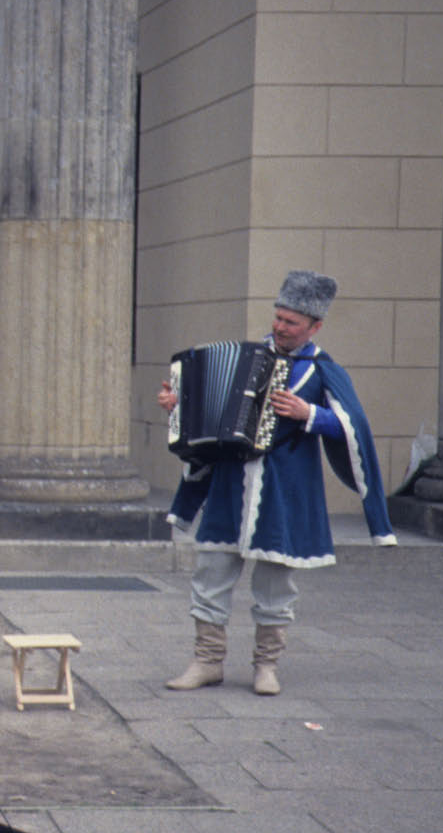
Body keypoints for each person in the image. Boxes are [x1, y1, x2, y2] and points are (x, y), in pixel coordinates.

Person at [158, 270, 396, 696]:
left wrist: (310, 414)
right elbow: (199, 413)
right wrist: (178, 404)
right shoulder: (247, 358)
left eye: (291, 322)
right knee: (211, 572)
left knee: (275, 581)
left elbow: (353, 425)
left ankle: (266, 666)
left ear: (315, 327)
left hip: (284, 491)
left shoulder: (323, 370)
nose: (280, 327)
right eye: (279, 317)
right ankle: (206, 661)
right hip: (230, 485)